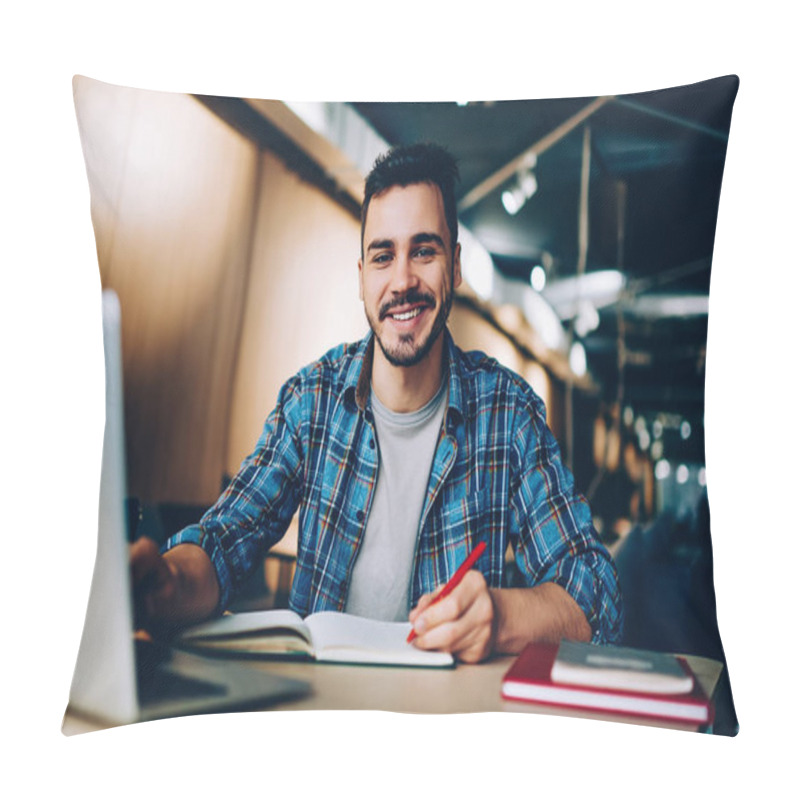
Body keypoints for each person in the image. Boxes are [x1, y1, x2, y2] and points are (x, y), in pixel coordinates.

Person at [132, 142, 623, 663]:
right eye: (384, 256)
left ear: (454, 266)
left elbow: (597, 595)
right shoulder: (311, 402)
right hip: (322, 709)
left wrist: (500, 617)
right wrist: (165, 582)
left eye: (425, 251)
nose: (403, 281)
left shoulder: (508, 413)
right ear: (362, 275)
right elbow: (223, 544)